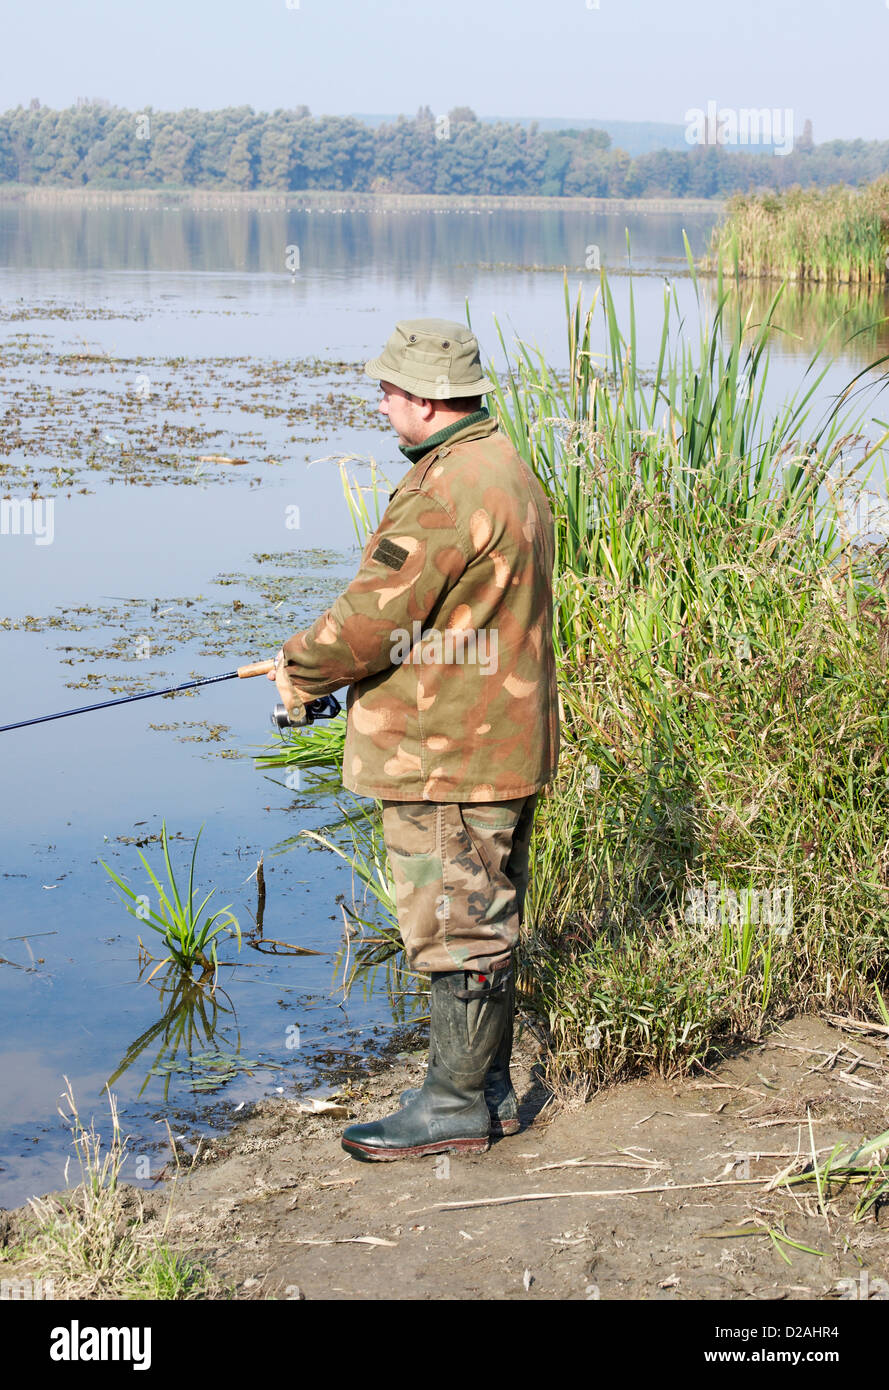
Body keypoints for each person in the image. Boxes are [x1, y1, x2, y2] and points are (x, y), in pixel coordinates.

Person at [269, 317, 559, 1161]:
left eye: (389, 390)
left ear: (426, 399)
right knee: (485, 910)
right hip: (499, 739)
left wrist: (301, 671)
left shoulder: (444, 489)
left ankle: (455, 1103)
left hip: (447, 753)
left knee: (456, 922)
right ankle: (488, 1091)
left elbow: (371, 619)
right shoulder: (504, 468)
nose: (381, 401)